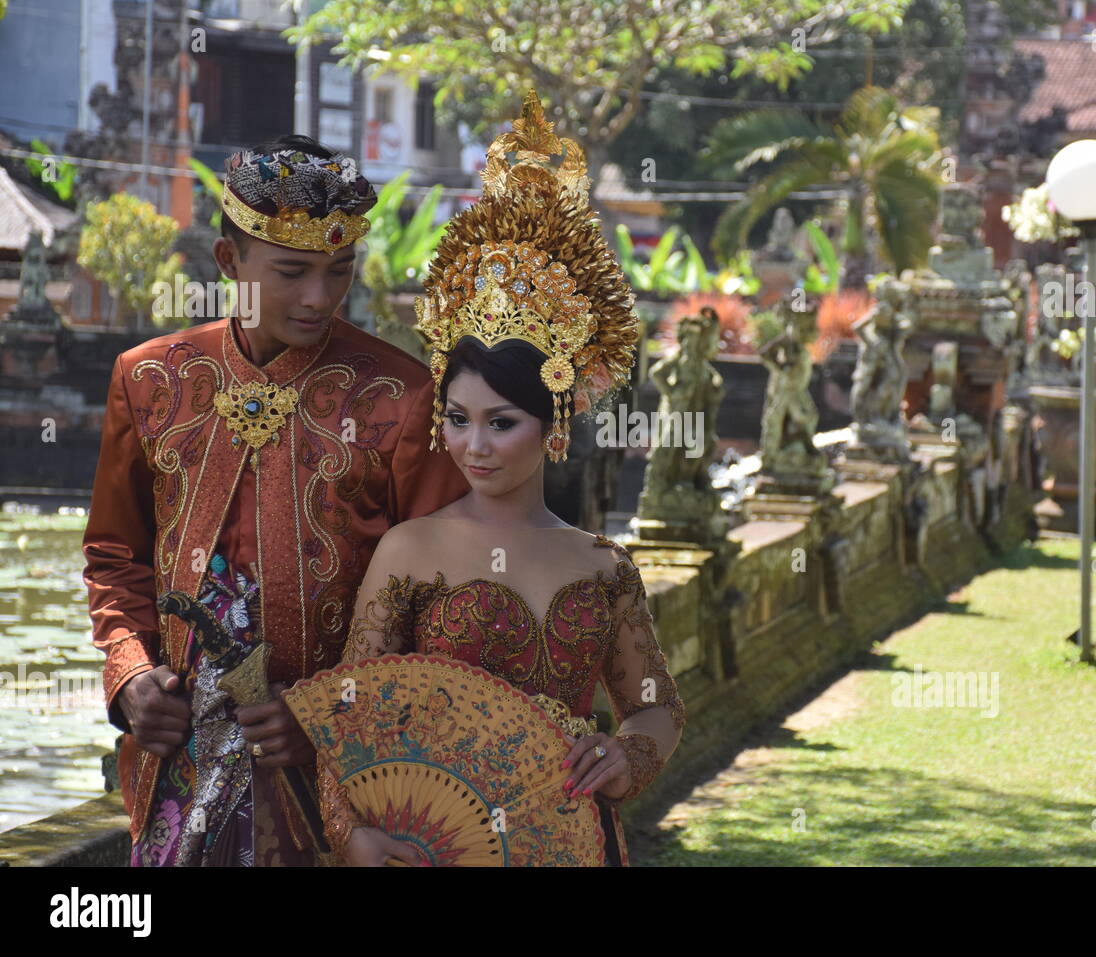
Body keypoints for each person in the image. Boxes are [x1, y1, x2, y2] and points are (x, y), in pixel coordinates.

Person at [316, 90, 685, 866]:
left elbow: (656, 710)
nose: (472, 445)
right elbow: (349, 716)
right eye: (457, 418)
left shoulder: (604, 564)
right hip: (440, 848)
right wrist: (355, 837)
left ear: (554, 427)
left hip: (578, 842)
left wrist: (626, 756)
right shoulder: (409, 553)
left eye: (501, 421)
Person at [83, 134, 470, 866]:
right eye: (292, 271)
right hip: (179, 760)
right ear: (230, 262)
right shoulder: (148, 380)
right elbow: (114, 555)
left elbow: (443, 605)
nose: (319, 297)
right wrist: (130, 673)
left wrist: (332, 715)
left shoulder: (404, 396)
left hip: (341, 783)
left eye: (340, 270)